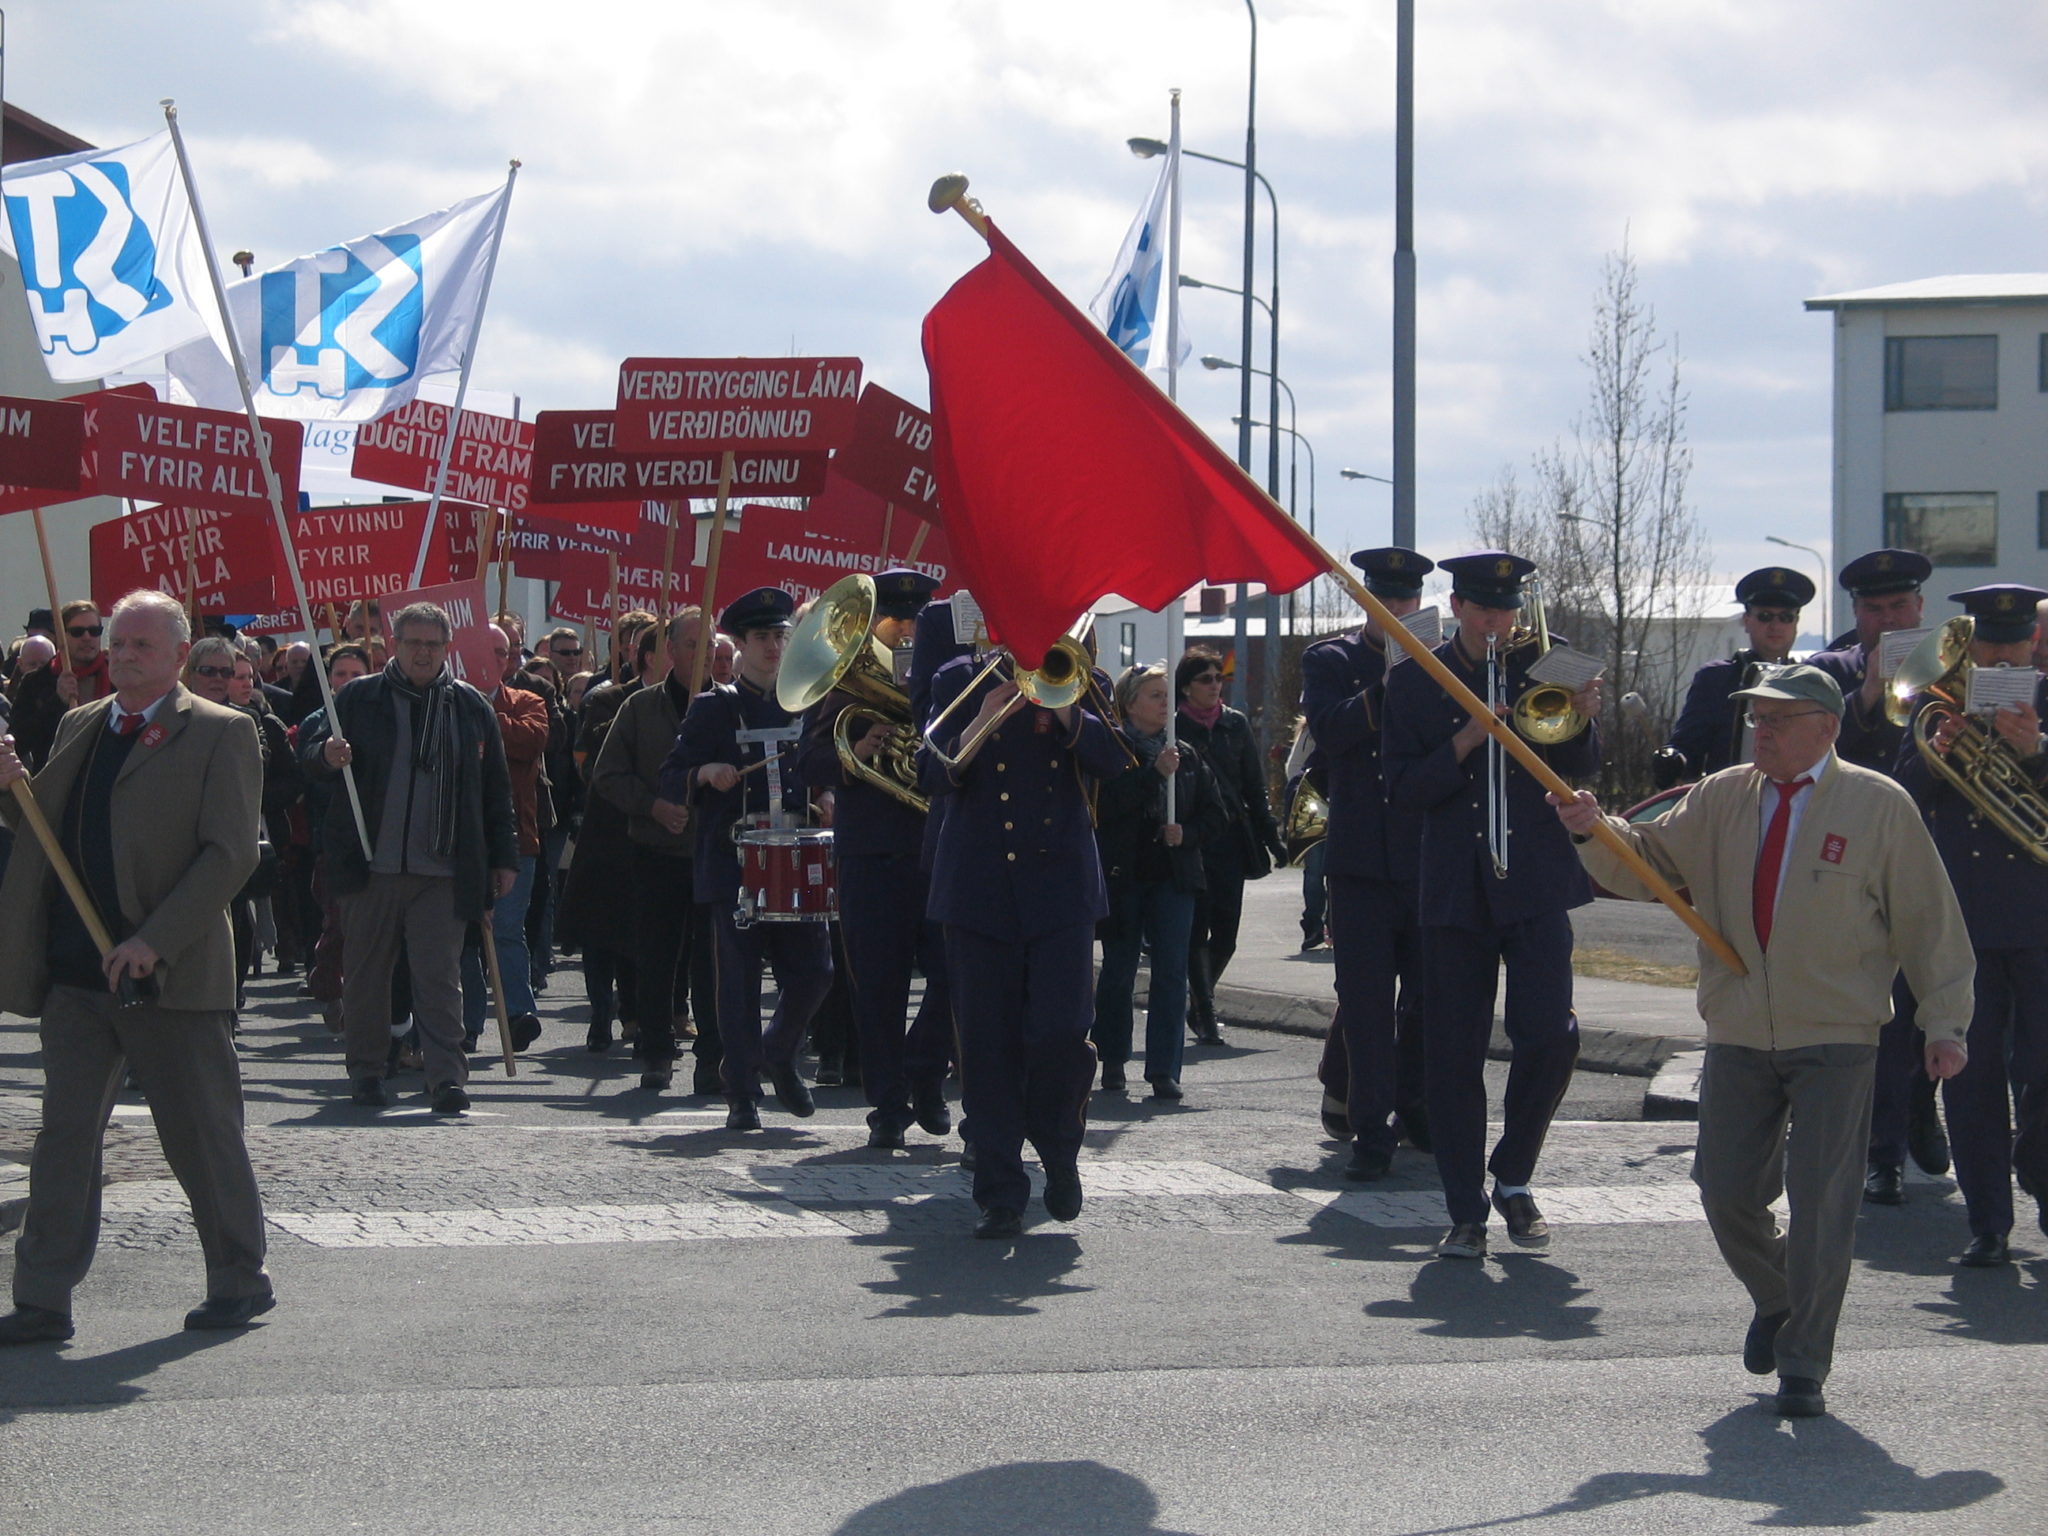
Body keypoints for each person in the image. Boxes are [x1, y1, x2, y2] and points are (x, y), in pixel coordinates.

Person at [1554, 664, 1972, 1418]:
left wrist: (1944, 1023)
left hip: (1839, 1035)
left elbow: (1930, 923)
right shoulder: (1722, 795)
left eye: (1778, 719)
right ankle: (1779, 1295)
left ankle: (1804, 1363)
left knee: (1823, 1203)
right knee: (1724, 1192)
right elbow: (1650, 866)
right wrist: (1597, 831)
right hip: (1740, 1028)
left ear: (1826, 728)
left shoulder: (1878, 805)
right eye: (1756, 718)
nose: (1762, 731)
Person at [0, 589, 272, 1344]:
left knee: (200, 1132)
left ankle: (239, 1277)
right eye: (116, 644)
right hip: (79, 971)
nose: (121, 655)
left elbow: (231, 854)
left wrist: (156, 937)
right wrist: (11, 789)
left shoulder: (222, 732)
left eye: (139, 646)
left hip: (168, 974)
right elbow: (42, 833)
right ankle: (43, 1294)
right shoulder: (84, 723)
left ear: (179, 656)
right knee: (65, 1136)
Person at [1382, 551, 1603, 1260]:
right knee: (1454, 1052)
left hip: (1536, 883)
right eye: (1481, 608)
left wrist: (1585, 719)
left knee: (1551, 1034)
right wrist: (1469, 736)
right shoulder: (1417, 677)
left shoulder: (1549, 663)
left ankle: (1513, 1174)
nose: (1495, 621)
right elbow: (1405, 791)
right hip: (1455, 887)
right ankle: (1464, 1208)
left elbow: (1580, 766)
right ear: (1456, 607)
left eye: (1505, 608)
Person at [919, 636, 1127, 1237]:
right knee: (986, 1044)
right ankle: (1000, 1191)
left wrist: (1065, 709)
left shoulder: (1084, 680)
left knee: (1061, 1031)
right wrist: (982, 720)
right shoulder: (958, 678)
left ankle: (1059, 1149)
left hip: (1059, 889)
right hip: (979, 890)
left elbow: (1116, 761)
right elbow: (932, 772)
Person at [305, 601, 518, 1114]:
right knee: (366, 977)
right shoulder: (358, 697)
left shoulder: (469, 707)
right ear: (392, 647)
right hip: (371, 864)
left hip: (442, 869)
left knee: (439, 980)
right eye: (413, 643)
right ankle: (368, 1072)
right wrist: (324, 756)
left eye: (432, 644)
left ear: (447, 649)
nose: (422, 653)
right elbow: (309, 758)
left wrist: (503, 857)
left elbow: (495, 791)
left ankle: (446, 1078)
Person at [1893, 585, 2048, 1265]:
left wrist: (2036, 749)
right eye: (1991, 645)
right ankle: (1988, 1224)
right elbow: (1898, 797)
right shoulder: (1934, 711)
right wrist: (1940, 753)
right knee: (1970, 1075)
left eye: (2015, 645)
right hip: (1964, 923)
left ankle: (2038, 1176)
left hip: (2040, 921)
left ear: (2032, 646)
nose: (2003, 655)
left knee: (2043, 1074)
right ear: (1972, 648)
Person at [796, 570, 957, 1147]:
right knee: (878, 987)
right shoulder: (845, 690)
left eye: (915, 619)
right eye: (895, 619)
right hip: (871, 854)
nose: (907, 629)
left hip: (940, 852)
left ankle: (927, 1075)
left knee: (954, 977)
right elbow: (806, 763)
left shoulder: (949, 682)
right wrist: (854, 755)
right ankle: (888, 1105)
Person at [1809, 548, 1950, 1204]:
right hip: (1859, 872)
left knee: (1941, 1007)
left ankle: (1921, 1105)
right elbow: (1808, 752)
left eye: (1900, 606)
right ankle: (1882, 1153)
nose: (1889, 619)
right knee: (1888, 1018)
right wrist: (1867, 693)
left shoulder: (1957, 675)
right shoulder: (1827, 672)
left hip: (1945, 866)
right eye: (1875, 609)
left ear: (1921, 607)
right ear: (1856, 614)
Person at [662, 588, 832, 1129]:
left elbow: (828, 767)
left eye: (781, 636)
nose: (775, 647)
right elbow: (671, 774)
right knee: (736, 984)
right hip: (735, 865)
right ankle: (742, 1094)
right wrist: (704, 773)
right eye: (763, 638)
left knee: (815, 973)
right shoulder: (716, 706)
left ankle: (778, 1050)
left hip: (798, 861)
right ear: (740, 643)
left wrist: (829, 796)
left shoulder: (806, 702)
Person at [1302, 547, 1437, 1181]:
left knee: (1427, 1000)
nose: (1398, 610)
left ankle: (1414, 1104)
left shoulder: (1447, 666)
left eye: (1408, 601)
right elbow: (1330, 732)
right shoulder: (1332, 660)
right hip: (1359, 861)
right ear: (1366, 602)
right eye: (1385, 600)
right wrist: (1392, 681)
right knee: (1364, 1001)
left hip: (1426, 856)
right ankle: (1371, 1127)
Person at [592, 609, 718, 1087]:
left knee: (711, 961)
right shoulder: (641, 708)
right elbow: (607, 775)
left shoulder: (727, 706)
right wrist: (652, 806)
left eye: (708, 646)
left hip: (712, 852)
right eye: (691, 646)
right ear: (670, 652)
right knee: (657, 957)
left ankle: (712, 1057)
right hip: (657, 851)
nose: (701, 656)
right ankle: (656, 1051)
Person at [1091, 662, 1224, 1101]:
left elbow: (1214, 814)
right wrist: (1154, 775)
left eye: (1168, 695)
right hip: (1126, 875)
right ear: (1130, 703)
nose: (1165, 703)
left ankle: (1165, 1068)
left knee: (1171, 973)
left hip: (1173, 876)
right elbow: (1106, 808)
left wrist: (1187, 834)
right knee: (1119, 971)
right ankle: (1112, 1058)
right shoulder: (1112, 749)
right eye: (1155, 696)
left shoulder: (1185, 753)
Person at [1172, 647, 1287, 1046]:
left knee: (1226, 934)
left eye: (1218, 677)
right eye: (1206, 679)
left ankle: (1199, 1000)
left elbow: (1254, 787)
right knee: (1196, 931)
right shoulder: (1174, 729)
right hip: (1192, 842)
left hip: (1231, 840)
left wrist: (1273, 837)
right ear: (1186, 687)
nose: (1215, 685)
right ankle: (1204, 1010)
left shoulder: (1235, 724)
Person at [458, 624, 549, 1055]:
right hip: (457, 840)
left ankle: (517, 1015)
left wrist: (482, 710)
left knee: (507, 929)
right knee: (464, 938)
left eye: (506, 652)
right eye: (491, 651)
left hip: (516, 838)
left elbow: (529, 740)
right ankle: (467, 1023)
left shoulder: (527, 701)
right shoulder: (448, 703)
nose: (500, 659)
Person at [1657, 566, 1817, 787]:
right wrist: (1673, 759)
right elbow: (1688, 748)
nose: (1775, 626)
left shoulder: (1812, 683)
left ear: (1796, 623)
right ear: (1747, 620)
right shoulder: (1716, 679)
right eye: (1764, 616)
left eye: (1786, 617)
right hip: (1731, 805)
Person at [10, 600, 111, 772]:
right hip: (56, 783)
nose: (87, 637)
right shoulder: (36, 681)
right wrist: (56, 701)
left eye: (94, 631)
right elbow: (19, 743)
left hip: (106, 777)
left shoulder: (117, 676)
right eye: (77, 632)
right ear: (61, 635)